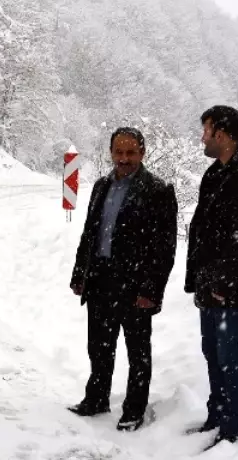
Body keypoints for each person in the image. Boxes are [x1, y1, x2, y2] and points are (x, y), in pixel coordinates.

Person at [68, 127, 178, 431]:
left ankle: (133, 409)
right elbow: (89, 233)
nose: (124, 158)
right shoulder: (101, 186)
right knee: (99, 345)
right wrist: (81, 273)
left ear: (142, 153)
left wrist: (152, 289)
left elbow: (164, 248)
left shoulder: (158, 190)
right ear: (111, 152)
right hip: (101, 279)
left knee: (137, 352)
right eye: (119, 152)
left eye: (131, 152)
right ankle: (97, 398)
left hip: (135, 286)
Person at [184, 106, 238, 448]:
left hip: (235, 289)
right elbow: (204, 231)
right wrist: (200, 279)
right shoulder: (215, 173)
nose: (202, 138)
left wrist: (223, 283)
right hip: (212, 284)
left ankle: (232, 428)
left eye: (205, 131)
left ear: (221, 134)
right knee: (212, 351)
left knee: (231, 357)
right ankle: (216, 416)